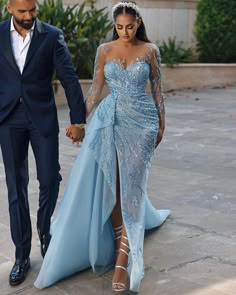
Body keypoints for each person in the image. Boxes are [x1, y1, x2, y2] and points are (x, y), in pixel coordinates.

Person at [34, 1, 170, 292]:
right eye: (120, 27)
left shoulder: (150, 51)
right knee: (112, 181)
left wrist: (161, 123)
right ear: (114, 25)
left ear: (138, 23)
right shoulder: (104, 51)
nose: (125, 31)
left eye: (130, 26)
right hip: (109, 120)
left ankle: (124, 258)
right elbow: (95, 90)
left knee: (132, 185)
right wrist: (80, 121)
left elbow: (158, 90)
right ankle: (122, 240)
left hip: (142, 123)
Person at [0, 0, 86, 286]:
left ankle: (45, 230)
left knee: (49, 178)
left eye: (32, 11)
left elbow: (70, 78)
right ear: (9, 7)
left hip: (42, 118)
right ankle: (22, 254)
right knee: (16, 187)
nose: (28, 17)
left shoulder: (51, 35)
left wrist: (77, 120)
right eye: (22, 11)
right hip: (9, 119)